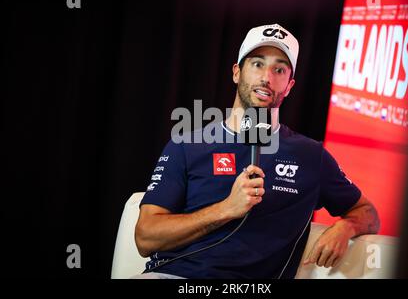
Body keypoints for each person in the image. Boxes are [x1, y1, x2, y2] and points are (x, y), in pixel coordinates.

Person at [134, 23, 380, 279]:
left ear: (289, 85)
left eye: (279, 69)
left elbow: (367, 213)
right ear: (236, 72)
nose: (267, 77)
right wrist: (227, 208)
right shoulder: (186, 145)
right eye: (257, 64)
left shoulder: (310, 156)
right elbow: (145, 237)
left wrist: (346, 227)